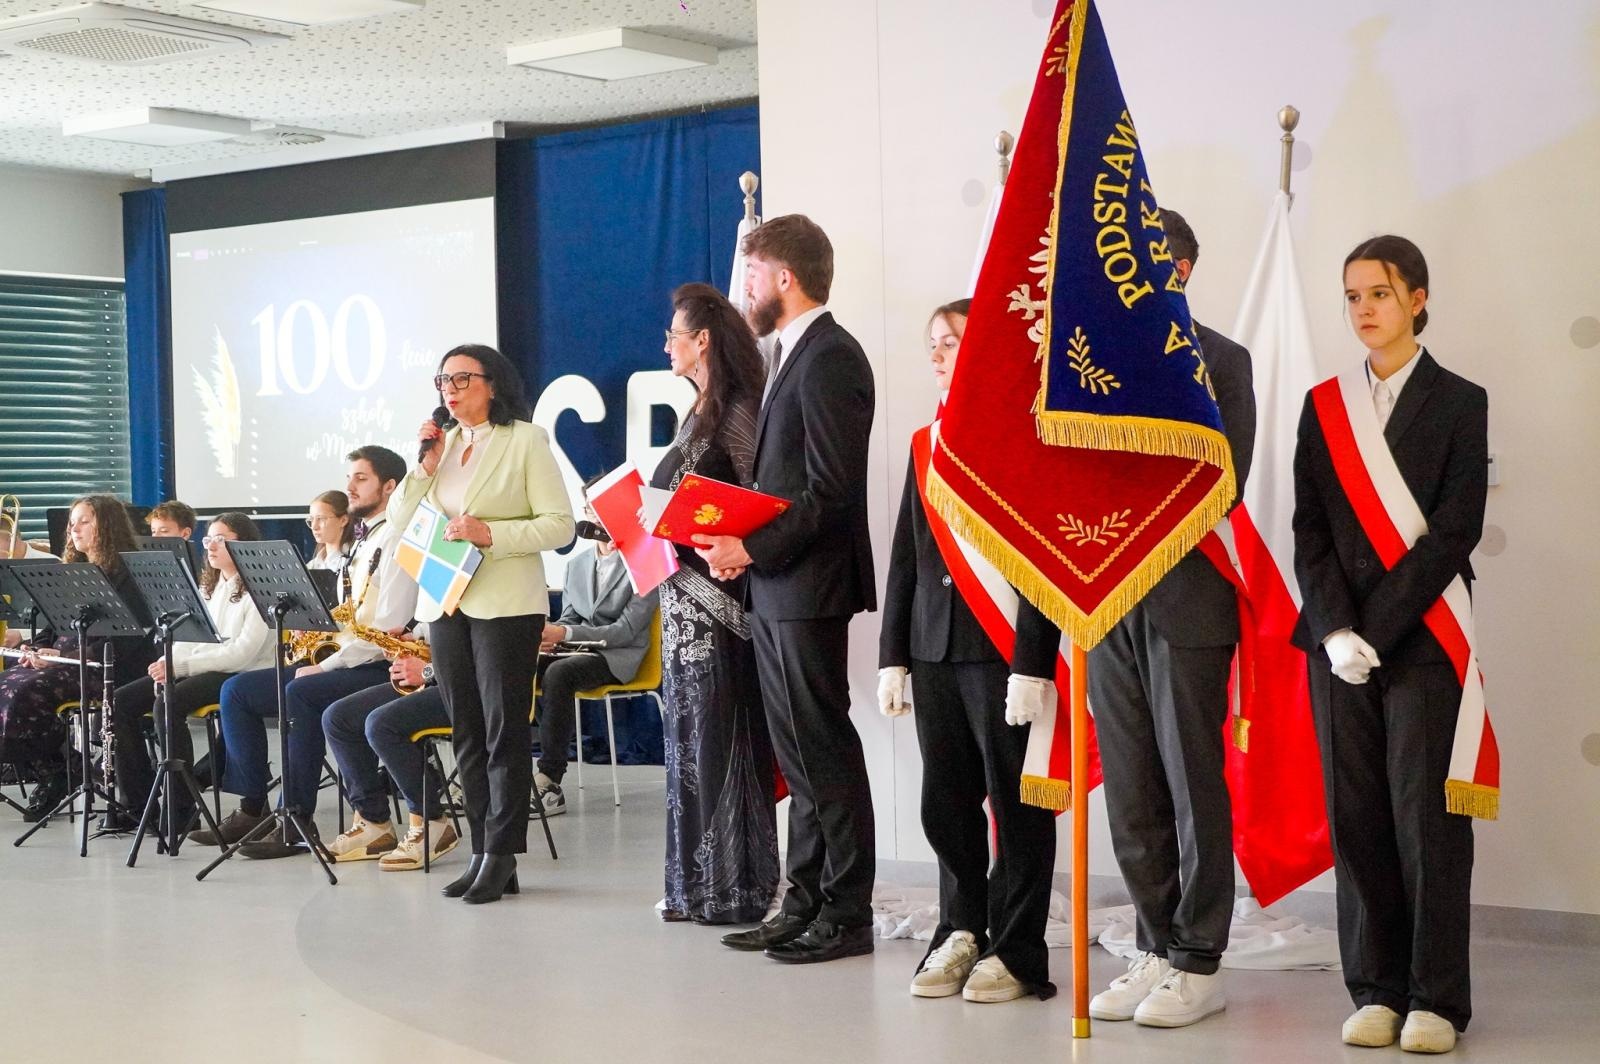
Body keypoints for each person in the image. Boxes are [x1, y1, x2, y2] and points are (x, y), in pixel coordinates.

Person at [1010, 208, 1255, 1028]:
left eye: (1146, 262)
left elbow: (1224, 484)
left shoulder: (1222, 361)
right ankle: (1155, 942)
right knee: (1133, 789)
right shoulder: (1092, 366)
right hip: (1106, 601)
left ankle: (1200, 957)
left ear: (1178, 269)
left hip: (1187, 601)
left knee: (1192, 783)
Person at [1293, 236, 1487, 1055]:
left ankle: (1435, 997)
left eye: (1379, 293)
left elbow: (1454, 531)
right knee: (1358, 814)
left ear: (1418, 298)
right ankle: (1374, 987)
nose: (1364, 309)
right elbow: (1309, 528)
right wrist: (1335, 630)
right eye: (1352, 296)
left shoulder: (1460, 399)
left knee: (1426, 817)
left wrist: (1373, 628)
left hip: (1423, 640)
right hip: (1338, 648)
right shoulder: (1323, 403)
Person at [695, 215, 878, 963]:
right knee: (798, 753)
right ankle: (801, 899)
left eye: (750, 276)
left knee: (821, 750)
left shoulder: (832, 357)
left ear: (782, 278)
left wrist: (752, 544)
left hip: (808, 585)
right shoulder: (789, 356)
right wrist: (744, 543)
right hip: (778, 584)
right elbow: (785, 485)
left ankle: (847, 911)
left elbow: (831, 491)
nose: (744, 292)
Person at [878, 299, 1058, 1002]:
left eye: (952, 341)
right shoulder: (929, 445)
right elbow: (905, 560)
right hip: (935, 649)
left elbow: (1043, 563)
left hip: (1002, 654)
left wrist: (1033, 661)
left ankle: (1016, 949)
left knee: (1017, 808)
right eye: (933, 343)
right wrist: (894, 654)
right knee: (945, 802)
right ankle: (961, 928)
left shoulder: (1025, 439)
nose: (939, 352)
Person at [397, 343, 573, 904]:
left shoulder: (525, 440)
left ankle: (503, 852)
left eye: (463, 378)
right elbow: (401, 521)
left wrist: (490, 533)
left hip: (506, 605)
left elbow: (559, 526)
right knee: (466, 732)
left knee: (503, 732)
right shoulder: (442, 449)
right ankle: (480, 849)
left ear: (492, 383)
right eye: (443, 379)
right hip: (446, 603)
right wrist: (423, 466)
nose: (450, 388)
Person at [190, 446, 417, 857]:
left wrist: (325, 663)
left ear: (390, 486)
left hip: (379, 663)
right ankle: (253, 807)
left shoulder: (395, 540)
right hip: (349, 656)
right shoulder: (363, 543)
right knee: (238, 692)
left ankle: (295, 817)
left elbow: (384, 629)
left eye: (361, 478)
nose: (349, 485)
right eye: (350, 477)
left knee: (300, 692)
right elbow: (350, 619)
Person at [649, 282, 777, 924]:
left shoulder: (739, 409)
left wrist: (727, 537)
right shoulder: (693, 412)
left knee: (723, 740)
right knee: (687, 741)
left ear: (702, 340)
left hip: (724, 606)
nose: (666, 344)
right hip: (679, 606)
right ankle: (693, 886)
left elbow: (765, 496)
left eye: (673, 334)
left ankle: (738, 886)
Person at [110, 512, 274, 831]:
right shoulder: (210, 585)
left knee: (168, 703)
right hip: (204, 666)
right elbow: (189, 635)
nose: (211, 546)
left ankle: (182, 804)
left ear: (246, 545)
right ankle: (140, 802)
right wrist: (169, 664)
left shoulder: (258, 588)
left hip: (242, 674)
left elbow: (241, 654)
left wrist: (182, 666)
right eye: (208, 539)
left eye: (221, 539)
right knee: (120, 703)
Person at [0, 495, 156, 821]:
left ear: (108, 526)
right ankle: (58, 767)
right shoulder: (71, 571)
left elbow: (125, 641)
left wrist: (62, 657)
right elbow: (51, 625)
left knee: (25, 692)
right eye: (72, 522)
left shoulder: (130, 575)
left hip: (108, 666)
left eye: (85, 521)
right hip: (66, 661)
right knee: (10, 679)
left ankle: (60, 769)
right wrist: (36, 647)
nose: (74, 529)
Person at [533, 493, 656, 820]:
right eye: (593, 509)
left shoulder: (645, 563)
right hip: (575, 649)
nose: (599, 517)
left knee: (560, 674)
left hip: (618, 656)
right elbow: (571, 618)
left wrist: (567, 635)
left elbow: (626, 631)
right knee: (517, 664)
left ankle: (550, 780)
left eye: (608, 508)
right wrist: (550, 633)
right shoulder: (577, 565)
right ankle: (503, 768)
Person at [320, 647, 460, 870]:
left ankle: (431, 821)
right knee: (338, 718)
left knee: (381, 724)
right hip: (435, 678)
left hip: (468, 688)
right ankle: (374, 823)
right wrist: (412, 646)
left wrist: (428, 670)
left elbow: (486, 656)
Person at [306, 489, 354, 572]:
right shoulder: (313, 565)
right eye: (311, 519)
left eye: (321, 519)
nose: (314, 527)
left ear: (343, 520)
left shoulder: (353, 561)